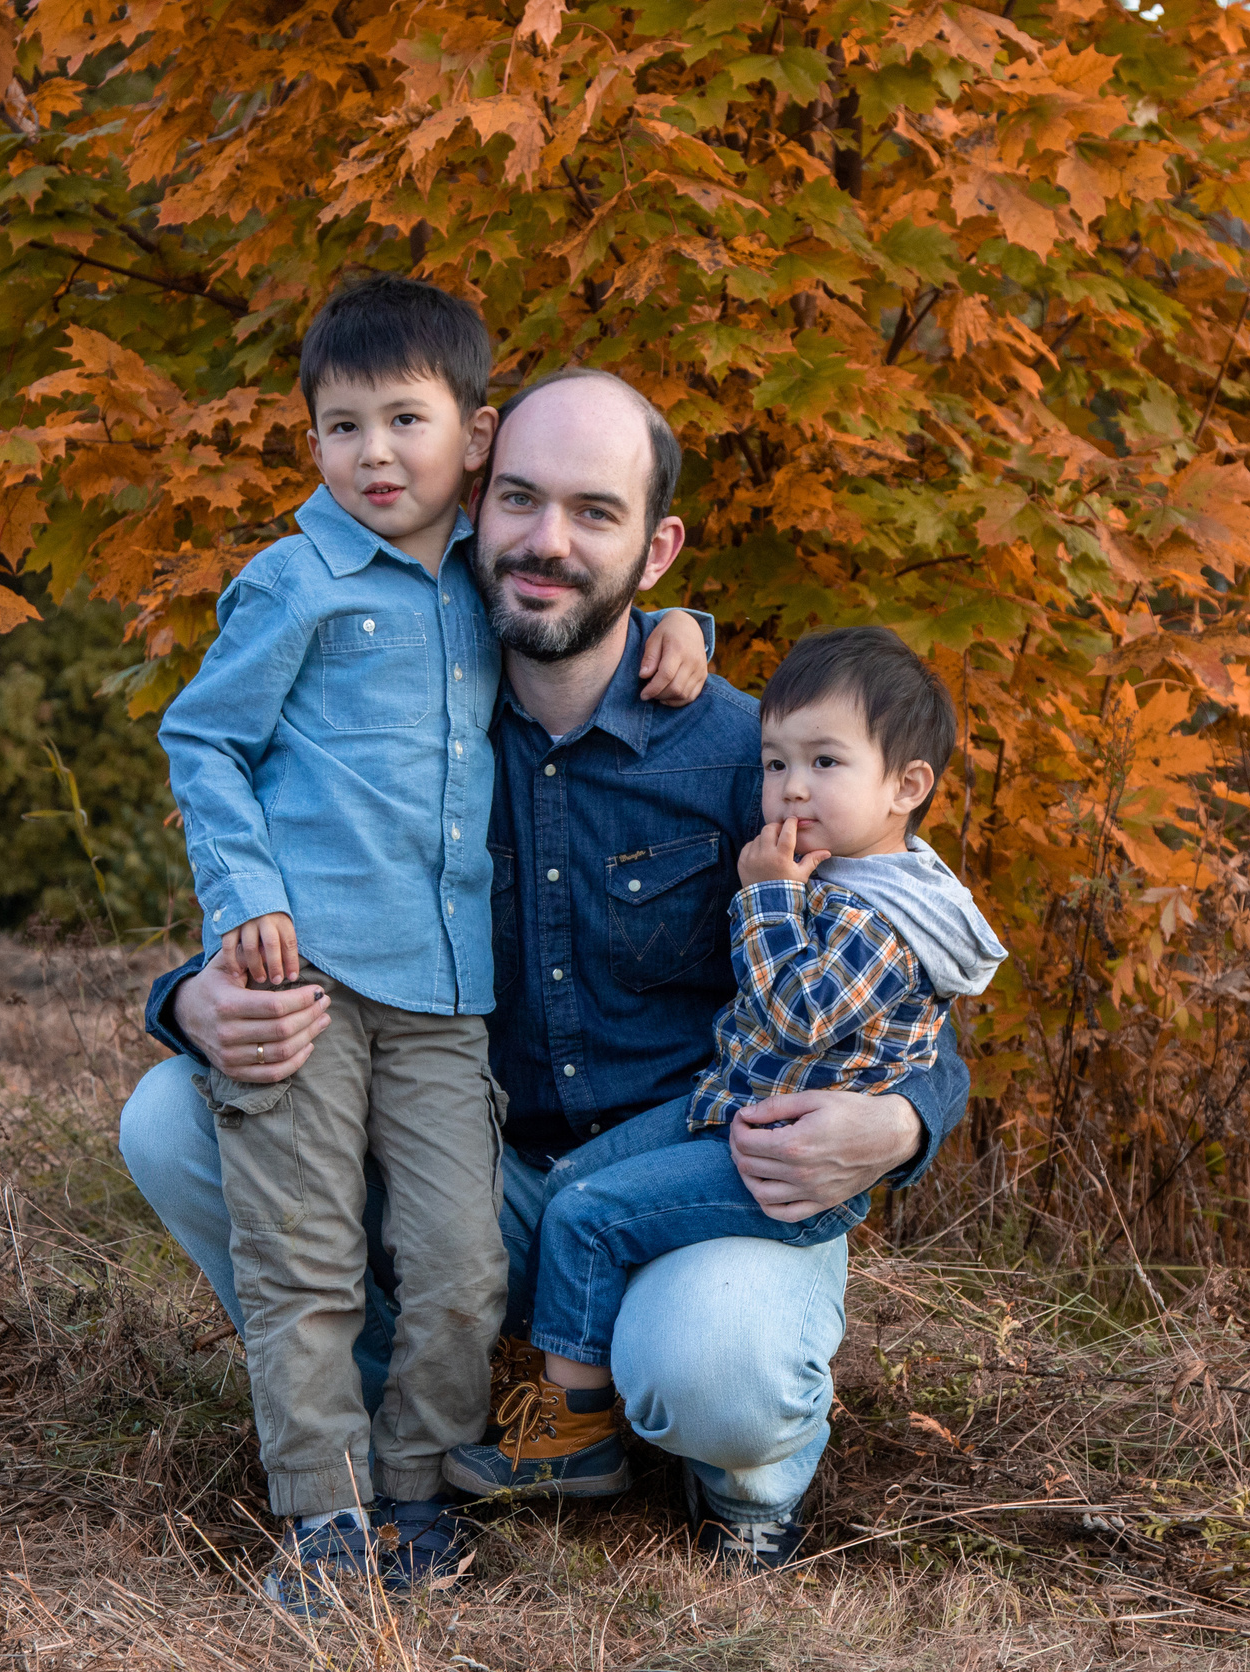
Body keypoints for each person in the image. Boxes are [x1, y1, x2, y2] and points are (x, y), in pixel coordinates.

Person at [122, 367, 968, 1574]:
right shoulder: (396, 714)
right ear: (474, 506)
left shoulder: (748, 754)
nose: (547, 542)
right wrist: (192, 999)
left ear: (656, 549)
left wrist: (898, 1122)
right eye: (519, 499)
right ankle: (418, 1433)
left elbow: (901, 975)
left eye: (594, 512)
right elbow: (291, 875)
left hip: (690, 1174)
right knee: (174, 1114)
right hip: (475, 1171)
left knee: (715, 1366)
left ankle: (733, 1480)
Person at [157, 278, 709, 1610]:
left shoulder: (479, 574)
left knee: (458, 1264)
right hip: (309, 979)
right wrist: (238, 908)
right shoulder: (294, 584)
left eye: (406, 421)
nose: (374, 455)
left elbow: (578, 600)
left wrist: (685, 631)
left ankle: (419, 1489)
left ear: (475, 434)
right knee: (304, 1257)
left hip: (446, 998)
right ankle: (324, 1513)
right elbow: (203, 738)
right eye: (341, 427)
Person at [444, 626, 1005, 1496]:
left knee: (587, 1213)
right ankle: (561, 1369)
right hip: (723, 1107)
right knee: (568, 1192)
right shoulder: (838, 864)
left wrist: (766, 895)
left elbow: (802, 1016)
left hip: (772, 1156)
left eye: (824, 763)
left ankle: (584, 1437)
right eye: (777, 764)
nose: (791, 785)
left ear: (908, 786)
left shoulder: (881, 913)